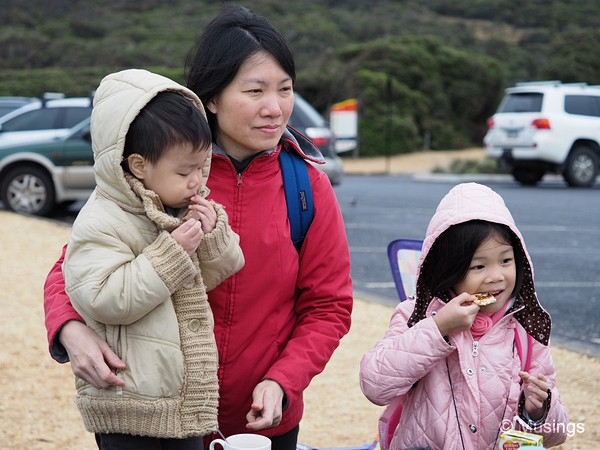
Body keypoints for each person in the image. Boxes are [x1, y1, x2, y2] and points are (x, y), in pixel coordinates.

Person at [44, 6, 353, 450]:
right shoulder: (161, 170)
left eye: (285, 89)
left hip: (263, 421)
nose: (275, 107)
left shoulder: (307, 187)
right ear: (211, 97)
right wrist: (69, 331)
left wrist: (284, 382)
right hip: (157, 421)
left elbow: (329, 306)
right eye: (255, 90)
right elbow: (72, 265)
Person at [60, 68, 244, 449]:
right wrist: (173, 252)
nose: (197, 180)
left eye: (201, 165)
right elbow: (103, 298)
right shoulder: (101, 219)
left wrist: (210, 237)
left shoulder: (173, 205)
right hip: (129, 404)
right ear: (139, 165)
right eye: (184, 170)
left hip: (182, 401)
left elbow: (209, 276)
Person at [359, 183, 568, 450]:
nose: (496, 276)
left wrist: (539, 410)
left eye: (506, 261)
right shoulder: (417, 315)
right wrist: (438, 328)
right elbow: (374, 385)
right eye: (479, 266)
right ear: (449, 268)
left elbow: (558, 434)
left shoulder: (526, 328)